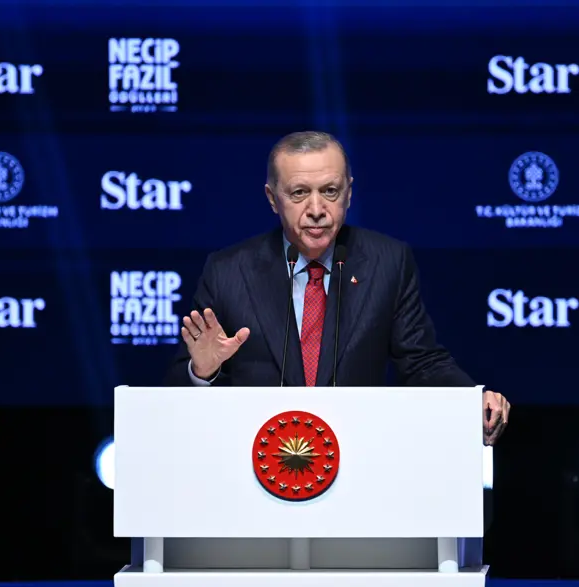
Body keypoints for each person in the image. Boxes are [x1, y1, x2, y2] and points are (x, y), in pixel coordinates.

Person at [165, 131, 510, 445]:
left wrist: (471, 398)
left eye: (330, 191)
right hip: (257, 459)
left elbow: (422, 362)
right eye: (299, 193)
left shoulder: (387, 262)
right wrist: (203, 372)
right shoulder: (228, 271)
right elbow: (175, 392)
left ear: (349, 193)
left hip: (357, 454)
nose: (317, 210)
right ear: (272, 199)